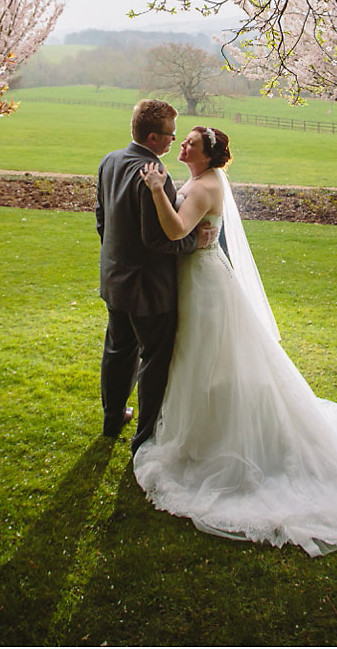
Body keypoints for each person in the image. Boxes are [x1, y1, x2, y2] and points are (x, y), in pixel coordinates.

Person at [134, 125, 337, 556]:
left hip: (204, 284)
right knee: (202, 358)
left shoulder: (204, 185)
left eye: (189, 142)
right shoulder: (203, 180)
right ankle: (203, 426)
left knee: (208, 356)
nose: (182, 145)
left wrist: (158, 190)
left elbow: (177, 231)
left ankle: (216, 440)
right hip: (200, 276)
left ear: (206, 154)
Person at [95, 99, 212, 454]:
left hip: (115, 278)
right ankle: (144, 437)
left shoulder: (110, 160)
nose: (174, 142)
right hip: (148, 288)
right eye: (170, 135)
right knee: (154, 359)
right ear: (152, 136)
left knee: (118, 350)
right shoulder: (152, 173)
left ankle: (112, 420)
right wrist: (195, 241)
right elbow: (159, 239)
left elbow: (101, 218)